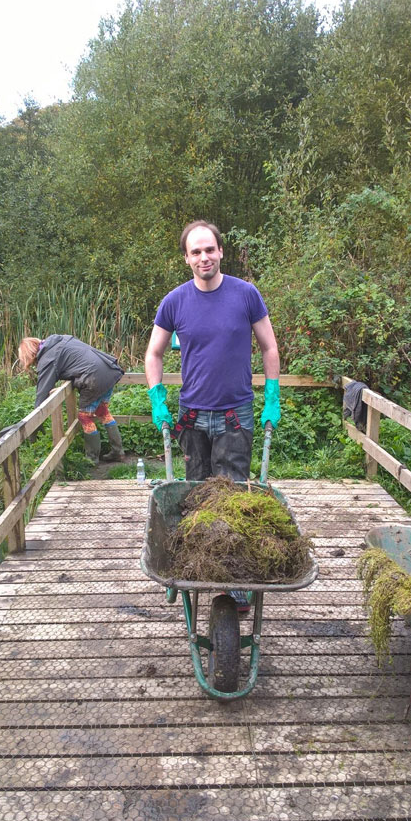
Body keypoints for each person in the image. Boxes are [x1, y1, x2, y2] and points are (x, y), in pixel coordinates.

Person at [145, 220, 281, 612]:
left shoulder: (246, 295)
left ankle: (234, 583)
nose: (204, 257)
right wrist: (158, 398)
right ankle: (194, 566)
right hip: (192, 416)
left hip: (235, 414)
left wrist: (271, 395)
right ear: (186, 258)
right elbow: (154, 354)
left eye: (210, 250)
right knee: (194, 491)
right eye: (195, 252)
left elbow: (269, 347)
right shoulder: (175, 302)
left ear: (221, 251)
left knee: (233, 494)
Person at [18, 335, 125, 465]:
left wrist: (34, 424)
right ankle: (117, 452)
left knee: (85, 418)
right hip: (108, 370)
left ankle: (92, 459)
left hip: (94, 377)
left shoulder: (48, 358)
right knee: (102, 412)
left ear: (30, 354)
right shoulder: (61, 339)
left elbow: (42, 393)